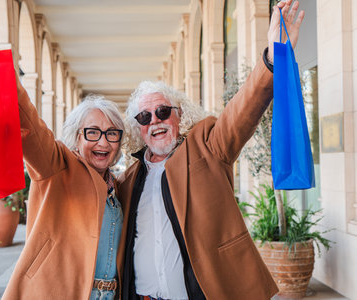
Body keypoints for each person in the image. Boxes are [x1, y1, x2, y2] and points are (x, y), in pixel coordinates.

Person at [117, 1, 305, 299]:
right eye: (144, 116)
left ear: (179, 115)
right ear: (137, 128)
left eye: (163, 111)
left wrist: (272, 59)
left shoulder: (207, 145)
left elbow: (240, 114)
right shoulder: (127, 181)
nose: (155, 121)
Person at [0, 13, 125, 300]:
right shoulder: (57, 166)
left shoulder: (118, 185)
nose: (103, 141)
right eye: (93, 132)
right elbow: (28, 122)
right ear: (76, 137)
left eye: (112, 133)